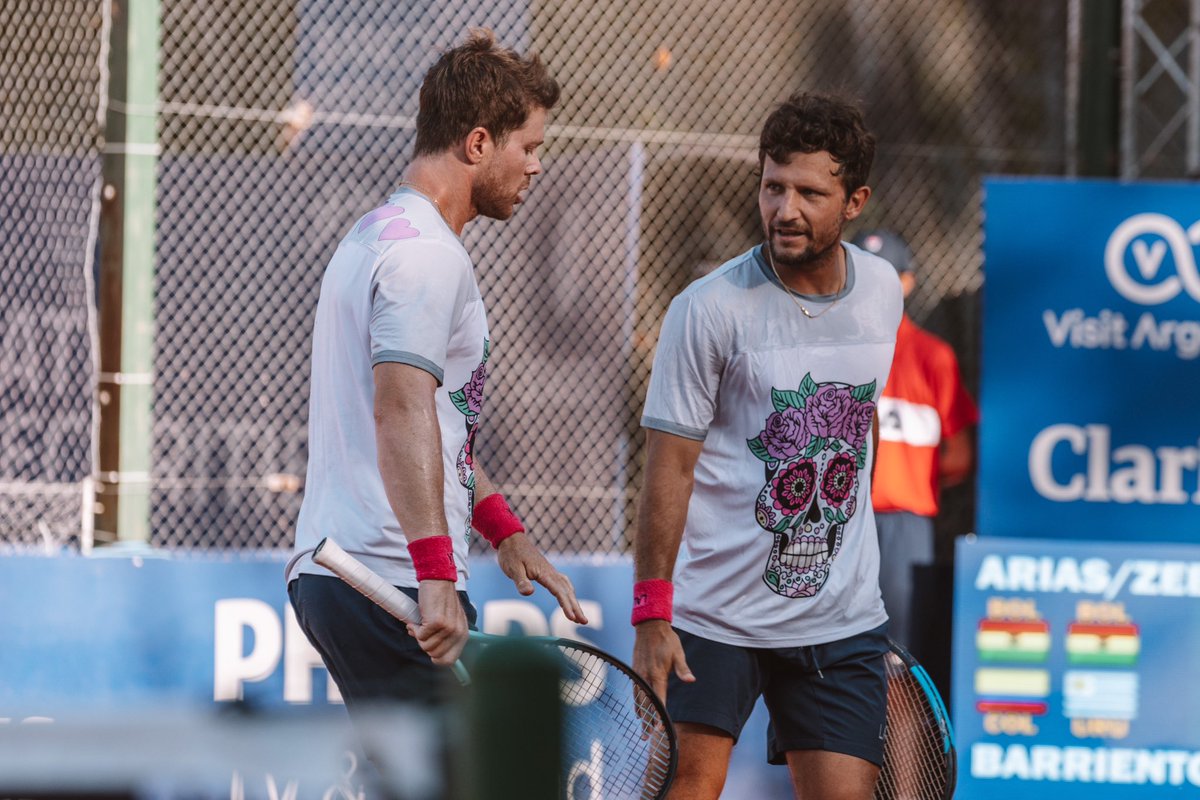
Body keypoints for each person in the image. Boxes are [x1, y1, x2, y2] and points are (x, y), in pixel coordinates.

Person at [285, 29, 586, 711]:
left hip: (361, 572)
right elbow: (401, 411)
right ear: (479, 143)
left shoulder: (379, 233)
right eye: (529, 147)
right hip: (389, 578)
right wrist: (435, 573)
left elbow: (432, 428)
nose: (537, 166)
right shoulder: (426, 255)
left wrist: (506, 532)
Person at [632, 91, 903, 800]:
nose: (786, 209)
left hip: (841, 624)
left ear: (855, 201)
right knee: (688, 786)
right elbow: (670, 465)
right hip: (714, 617)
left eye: (810, 193)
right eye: (772, 186)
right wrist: (652, 613)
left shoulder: (881, 292)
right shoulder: (706, 309)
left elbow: (860, 420)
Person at [851, 229, 979, 652]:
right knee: (822, 648)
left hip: (904, 524)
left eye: (885, 276)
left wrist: (909, 478)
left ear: (907, 282)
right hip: (833, 515)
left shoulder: (932, 356)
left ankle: (900, 723)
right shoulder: (829, 346)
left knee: (898, 654)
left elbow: (959, 456)